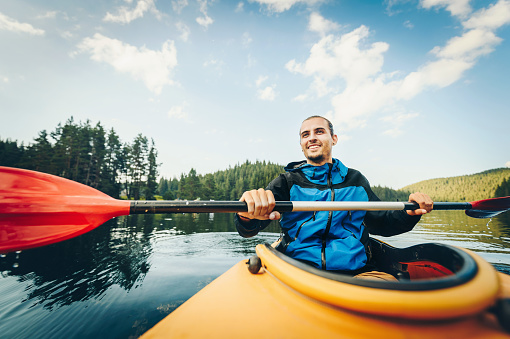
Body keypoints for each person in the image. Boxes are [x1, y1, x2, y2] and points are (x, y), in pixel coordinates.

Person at [234, 115, 433, 281]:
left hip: (355, 272)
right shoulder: (286, 182)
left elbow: (383, 223)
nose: (311, 138)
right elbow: (249, 229)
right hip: (296, 270)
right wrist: (247, 214)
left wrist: (409, 214)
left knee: (389, 294)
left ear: (334, 138)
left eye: (319, 132)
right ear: (302, 144)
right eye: (305, 135)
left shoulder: (356, 180)